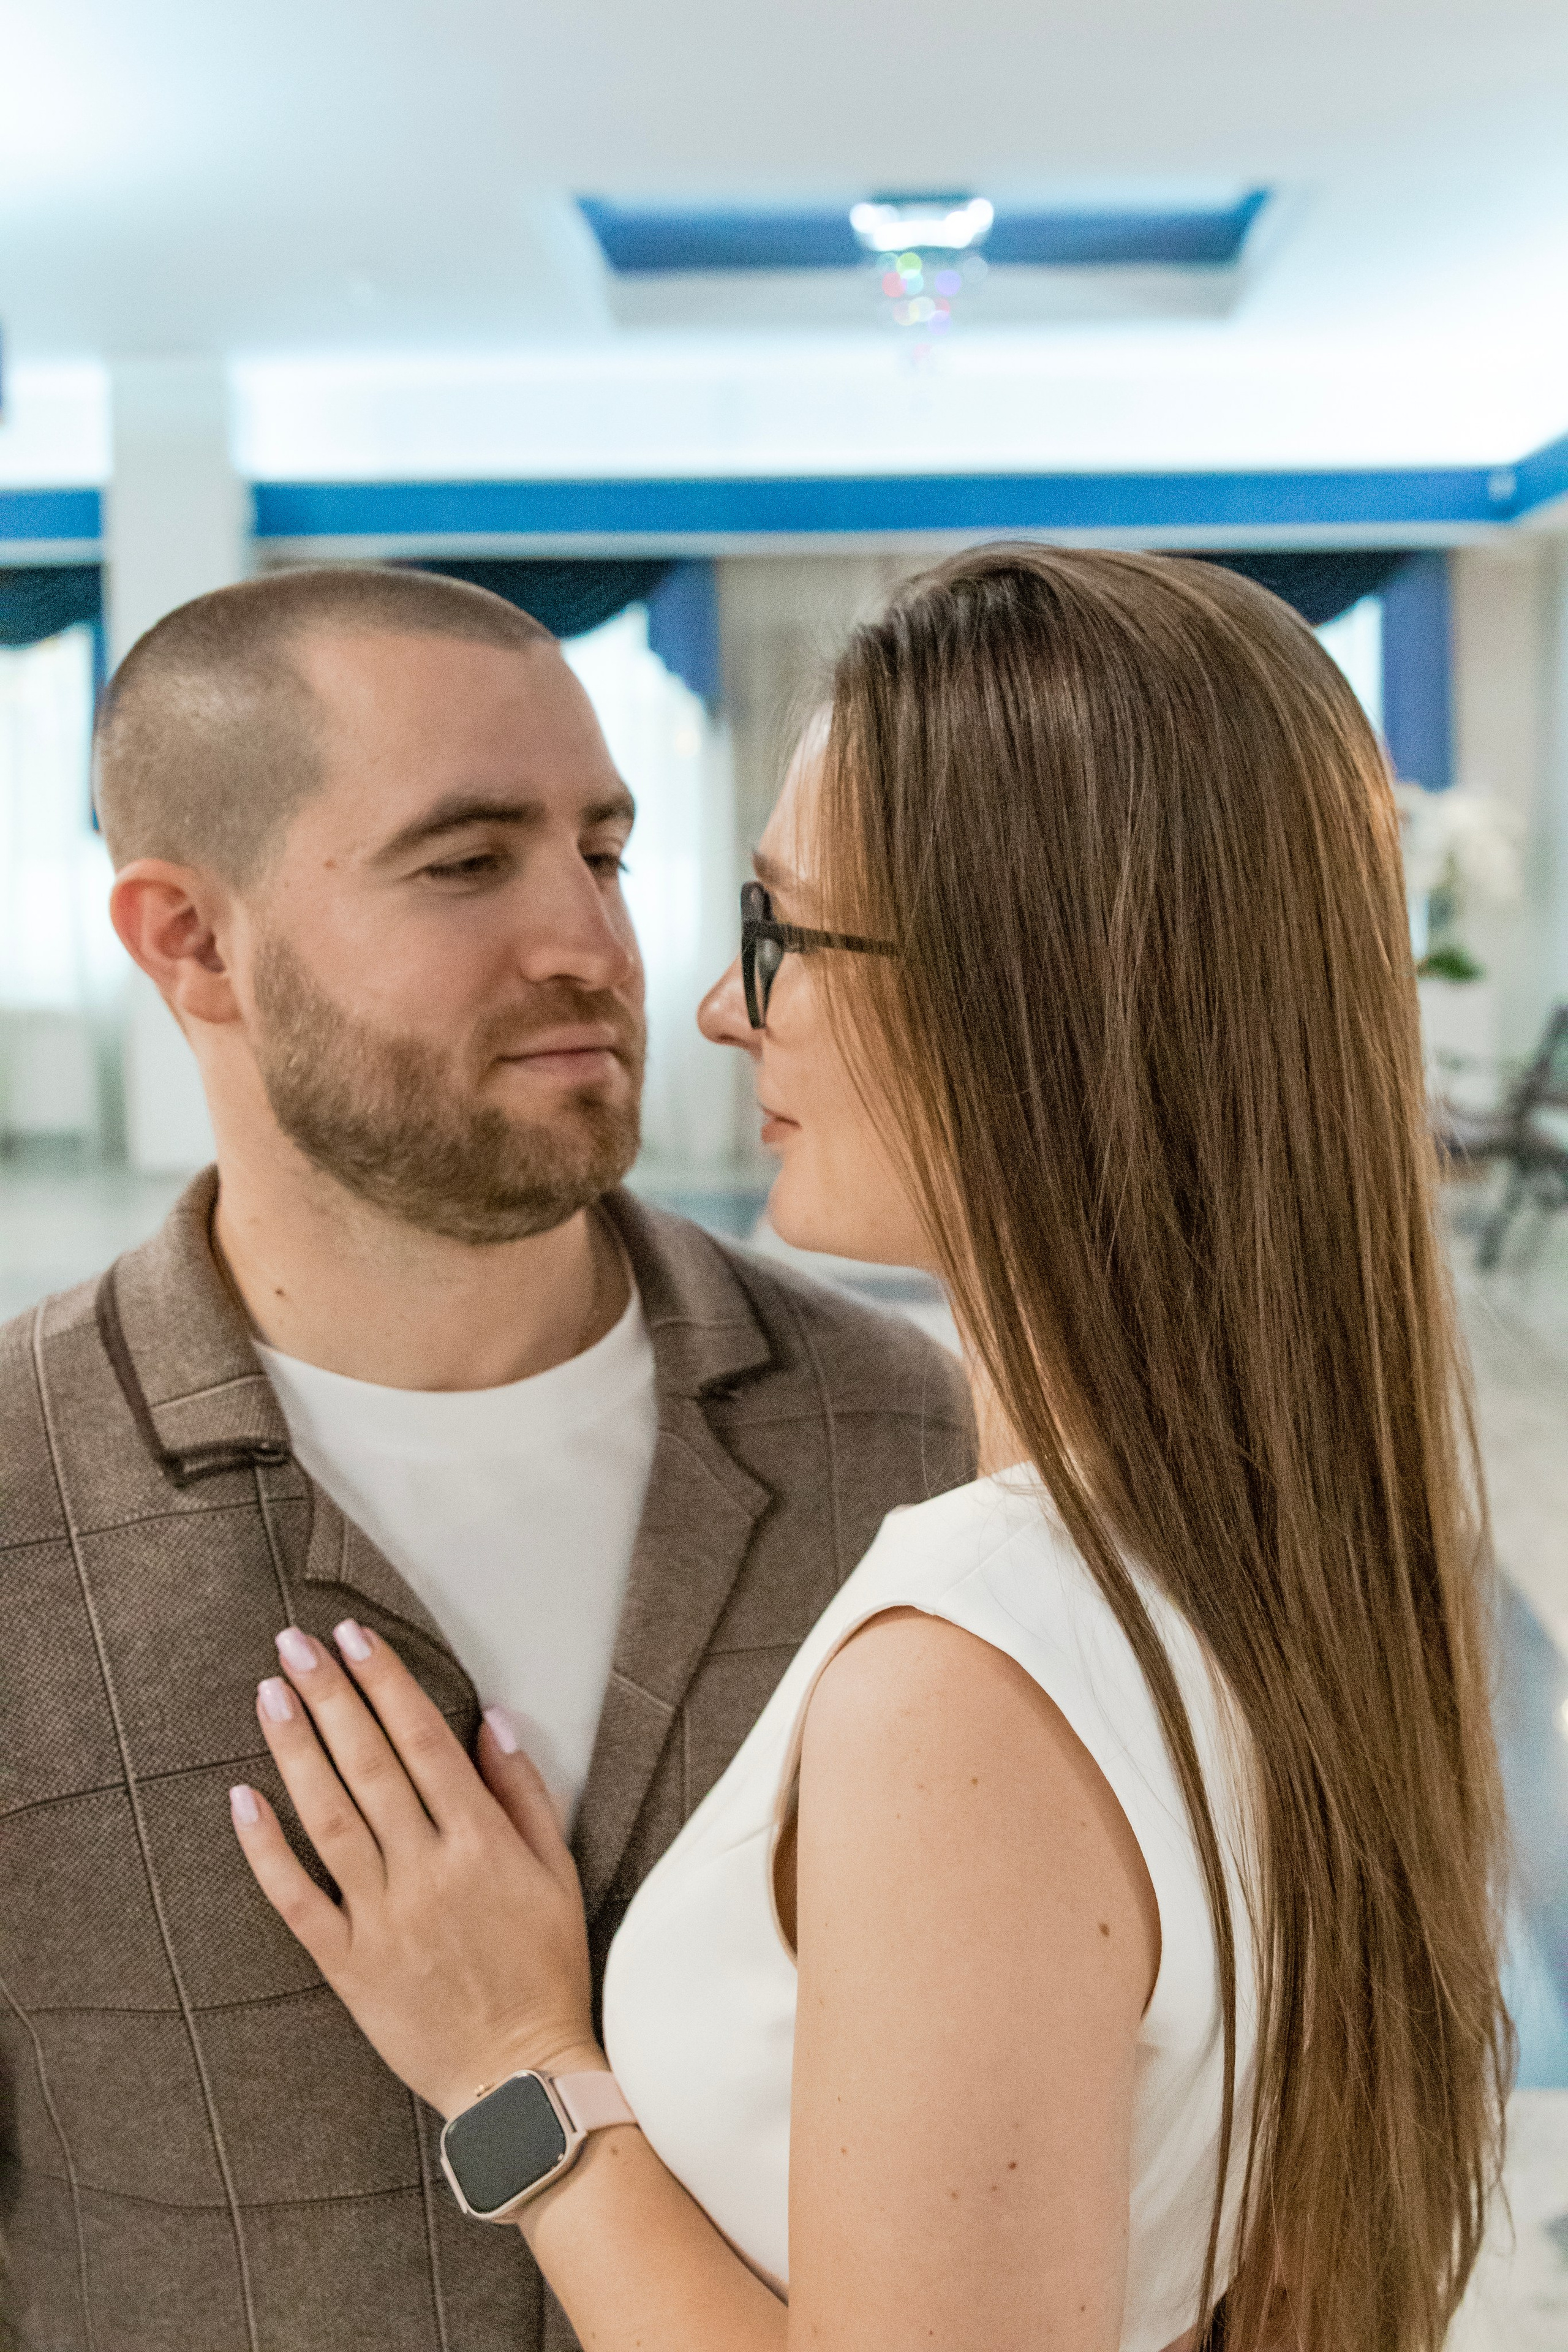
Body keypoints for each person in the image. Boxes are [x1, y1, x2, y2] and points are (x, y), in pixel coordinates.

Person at [230, 547, 1512, 2352]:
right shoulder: (1296, 1537)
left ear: (1030, 992)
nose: (720, 1010)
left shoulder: (975, 1682)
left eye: (784, 935)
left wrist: (516, 2070)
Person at [0, 565, 973, 2352]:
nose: (593, 946)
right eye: (466, 863)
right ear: (189, 942)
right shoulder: (16, 1501)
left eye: (600, 852)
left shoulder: (914, 1443)